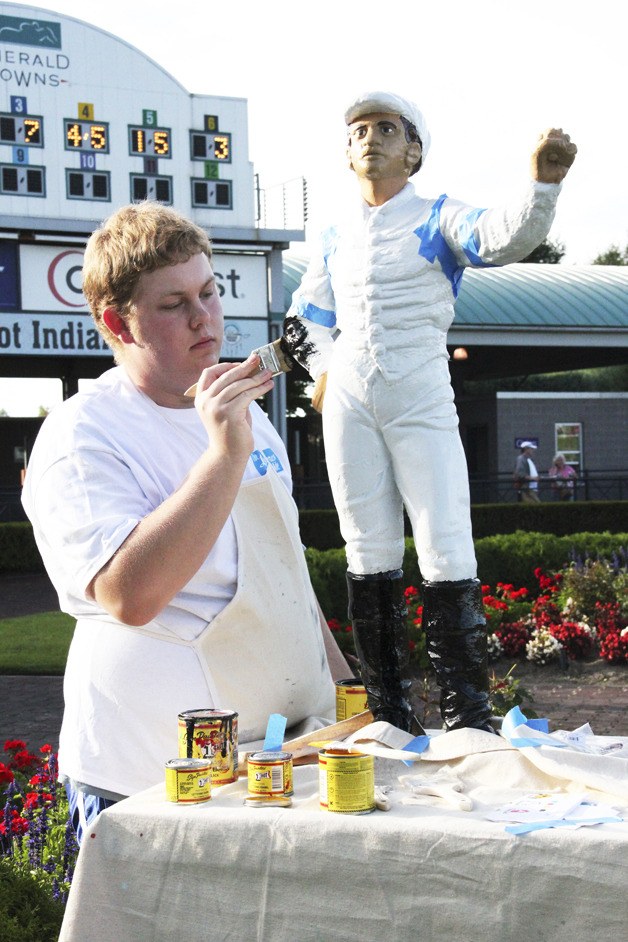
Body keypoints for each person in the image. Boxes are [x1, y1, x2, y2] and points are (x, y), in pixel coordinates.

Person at [21, 202, 348, 842]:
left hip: (274, 774)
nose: (204, 318)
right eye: (173, 305)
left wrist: (350, 692)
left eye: (208, 292)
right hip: (145, 788)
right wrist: (223, 454)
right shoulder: (83, 433)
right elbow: (129, 593)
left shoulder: (255, 426)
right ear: (120, 323)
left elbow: (287, 585)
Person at [276, 90, 577, 734]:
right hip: (351, 397)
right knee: (366, 548)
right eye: (358, 130)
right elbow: (303, 318)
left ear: (413, 151)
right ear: (345, 151)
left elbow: (501, 237)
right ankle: (388, 714)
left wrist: (542, 186)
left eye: (386, 128)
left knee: (445, 544)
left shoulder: (439, 215)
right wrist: (326, 369)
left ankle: (467, 717)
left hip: (420, 389)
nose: (370, 139)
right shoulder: (331, 235)